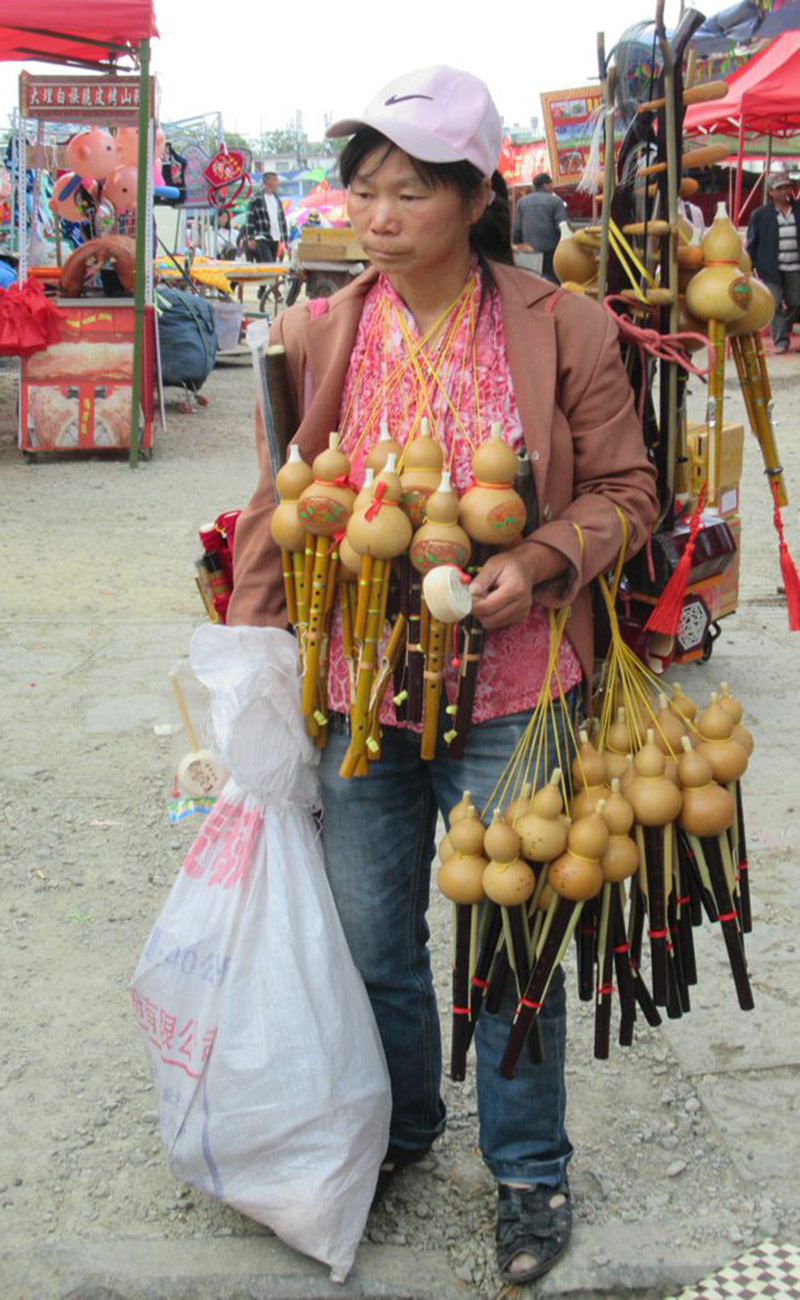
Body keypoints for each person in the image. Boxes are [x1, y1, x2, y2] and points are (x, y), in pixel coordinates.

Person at [228, 65, 658, 1287]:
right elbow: (279, 508)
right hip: (359, 687)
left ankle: (528, 1170)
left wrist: (532, 559)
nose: (375, 213)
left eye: (407, 190)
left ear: (476, 196)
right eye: (362, 189)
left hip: (514, 684)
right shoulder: (318, 329)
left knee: (511, 937)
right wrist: (257, 659)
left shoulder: (560, 322)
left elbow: (629, 497)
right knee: (372, 938)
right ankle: (400, 1127)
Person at [746, 171, 800, 353]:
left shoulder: (798, 210)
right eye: (780, 188)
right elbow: (752, 244)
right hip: (770, 269)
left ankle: (784, 327)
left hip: (795, 266)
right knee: (774, 302)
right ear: (770, 192)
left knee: (796, 302)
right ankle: (781, 340)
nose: (784, 191)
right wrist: (749, 266)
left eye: (787, 187)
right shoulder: (759, 216)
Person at [512, 171, 567, 281]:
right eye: (551, 183)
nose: (553, 186)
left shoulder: (521, 202)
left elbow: (516, 229)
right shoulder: (556, 201)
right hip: (551, 253)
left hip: (529, 253)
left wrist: (517, 246)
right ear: (545, 185)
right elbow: (562, 226)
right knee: (551, 285)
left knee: (530, 283)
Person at [246, 171, 290, 308]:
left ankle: (261, 291)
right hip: (261, 236)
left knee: (269, 266)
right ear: (267, 182)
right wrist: (250, 237)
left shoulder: (276, 198)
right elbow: (250, 218)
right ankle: (276, 293)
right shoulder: (256, 198)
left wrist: (285, 239)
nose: (277, 183)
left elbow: (282, 219)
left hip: (275, 237)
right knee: (270, 266)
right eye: (274, 180)